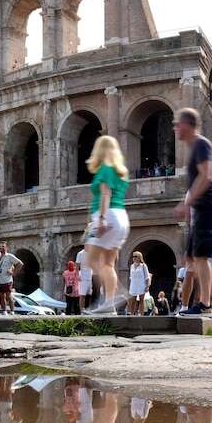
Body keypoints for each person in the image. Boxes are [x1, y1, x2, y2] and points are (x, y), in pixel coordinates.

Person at [173, 107, 212, 316]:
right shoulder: (195, 147)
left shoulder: (202, 144)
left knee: (202, 257)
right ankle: (196, 303)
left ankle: (204, 305)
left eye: (178, 124)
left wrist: (187, 203)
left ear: (187, 124)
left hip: (207, 205)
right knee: (192, 258)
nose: (176, 128)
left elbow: (206, 175)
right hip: (201, 207)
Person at [83, 134, 131, 315]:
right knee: (108, 263)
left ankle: (117, 293)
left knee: (91, 260)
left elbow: (105, 194)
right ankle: (109, 305)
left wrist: (101, 219)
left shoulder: (105, 169)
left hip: (107, 216)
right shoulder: (121, 172)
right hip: (121, 217)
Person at [0, 240, 22, 313]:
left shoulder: (10, 256)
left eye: (3, 246)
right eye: (0, 247)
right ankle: (4, 311)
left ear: (7, 248)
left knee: (8, 296)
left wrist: (14, 273)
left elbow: (20, 264)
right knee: (1, 296)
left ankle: (12, 311)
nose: (2, 248)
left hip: (7, 279)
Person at [127, 251, 150, 316]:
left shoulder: (143, 266)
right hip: (134, 285)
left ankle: (141, 313)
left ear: (139, 258)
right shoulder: (132, 266)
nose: (134, 258)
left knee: (141, 299)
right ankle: (131, 313)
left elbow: (147, 277)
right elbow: (131, 277)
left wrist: (147, 286)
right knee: (133, 300)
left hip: (141, 284)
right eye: (133, 256)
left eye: (135, 256)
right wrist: (130, 285)